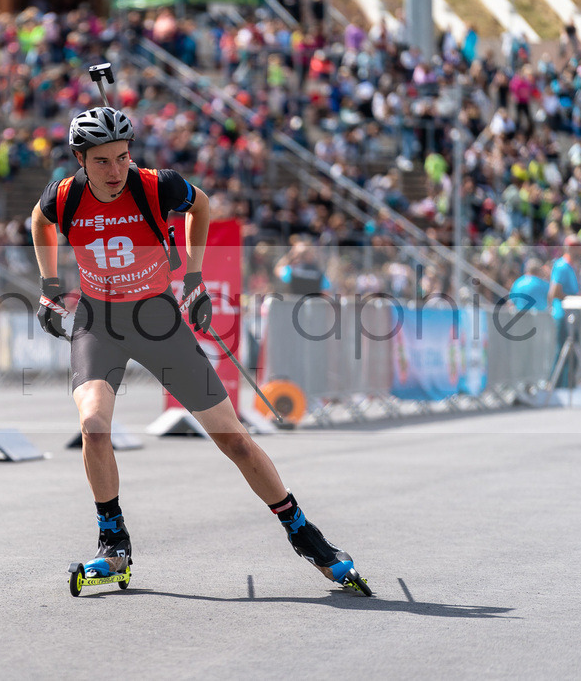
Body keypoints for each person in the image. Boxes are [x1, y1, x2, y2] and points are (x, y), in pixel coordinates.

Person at [29, 106, 363, 591]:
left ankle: (304, 533)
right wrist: (49, 285)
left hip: (158, 320)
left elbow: (200, 207)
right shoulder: (63, 196)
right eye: (102, 161)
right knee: (93, 427)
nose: (116, 170)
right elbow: (39, 221)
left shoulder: (156, 185)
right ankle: (113, 542)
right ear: (80, 160)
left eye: (122, 157)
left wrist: (194, 276)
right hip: (98, 323)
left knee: (233, 439)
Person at [548, 235, 581, 387]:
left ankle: (566, 385)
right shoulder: (562, 266)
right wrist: (575, 299)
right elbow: (554, 292)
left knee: (571, 354)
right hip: (564, 316)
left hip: (571, 316)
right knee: (563, 352)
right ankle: (556, 387)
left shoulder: (571, 266)